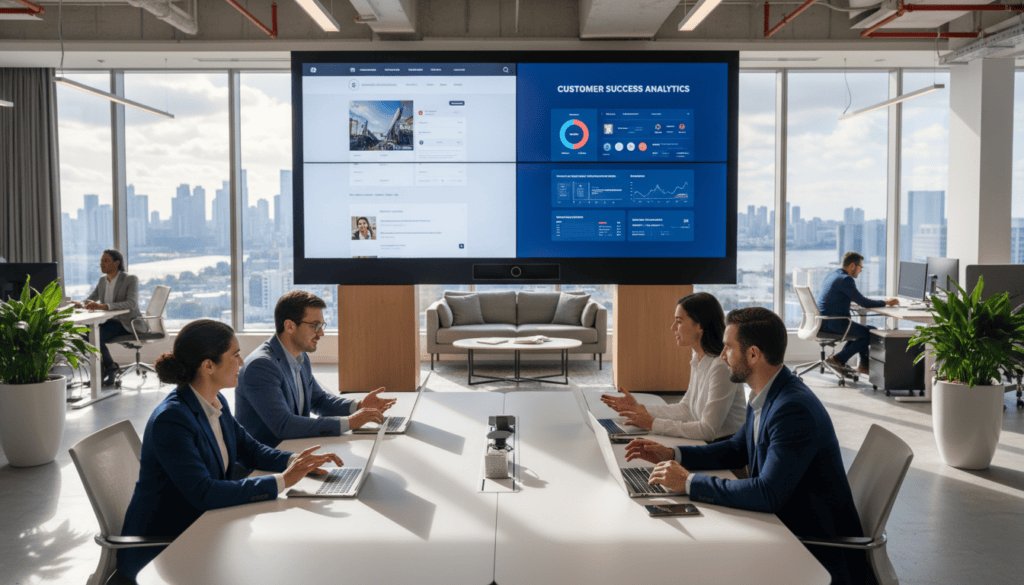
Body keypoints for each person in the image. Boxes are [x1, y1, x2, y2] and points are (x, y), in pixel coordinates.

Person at [625, 307, 866, 585]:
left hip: (808, 547)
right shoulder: (766, 392)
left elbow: (767, 493)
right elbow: (735, 448)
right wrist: (672, 453)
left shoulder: (792, 409)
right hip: (780, 526)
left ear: (753, 354)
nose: (722, 356)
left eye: (728, 348)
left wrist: (689, 482)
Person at [117, 319, 343, 581]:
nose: (242, 362)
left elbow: (251, 450)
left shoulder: (214, 399)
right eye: (235, 355)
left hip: (206, 528)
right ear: (208, 366)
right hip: (167, 548)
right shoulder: (172, 420)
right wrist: (283, 481)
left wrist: (297, 461)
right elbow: (205, 493)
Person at [235, 290, 395, 447]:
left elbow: (318, 400)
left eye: (321, 325)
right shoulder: (261, 366)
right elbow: (284, 425)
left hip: (295, 450)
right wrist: (350, 422)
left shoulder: (301, 357)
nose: (321, 333)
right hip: (268, 459)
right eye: (315, 326)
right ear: (289, 326)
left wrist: (359, 406)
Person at [600, 292, 745, 441]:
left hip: (721, 446)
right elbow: (686, 409)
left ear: (699, 326)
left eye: (679, 321)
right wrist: (639, 408)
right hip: (704, 441)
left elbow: (707, 430)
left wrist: (653, 424)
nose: (673, 327)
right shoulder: (698, 357)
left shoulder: (721, 367)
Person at [817, 251, 899, 375]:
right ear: (852, 266)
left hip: (824, 321)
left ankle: (860, 365)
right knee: (870, 334)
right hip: (834, 323)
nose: (861, 270)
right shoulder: (846, 279)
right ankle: (838, 359)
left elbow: (840, 296)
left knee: (869, 330)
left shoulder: (833, 275)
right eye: (861, 267)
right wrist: (886, 302)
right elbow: (864, 302)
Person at [72, 248, 144, 386]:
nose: (101, 264)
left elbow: (131, 303)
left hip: (127, 323)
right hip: (110, 321)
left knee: (95, 336)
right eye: (101, 261)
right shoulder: (102, 280)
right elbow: (91, 298)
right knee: (84, 332)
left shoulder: (130, 279)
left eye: (106, 261)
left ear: (117, 263)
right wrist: (81, 304)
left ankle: (104, 371)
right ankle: (110, 367)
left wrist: (104, 306)